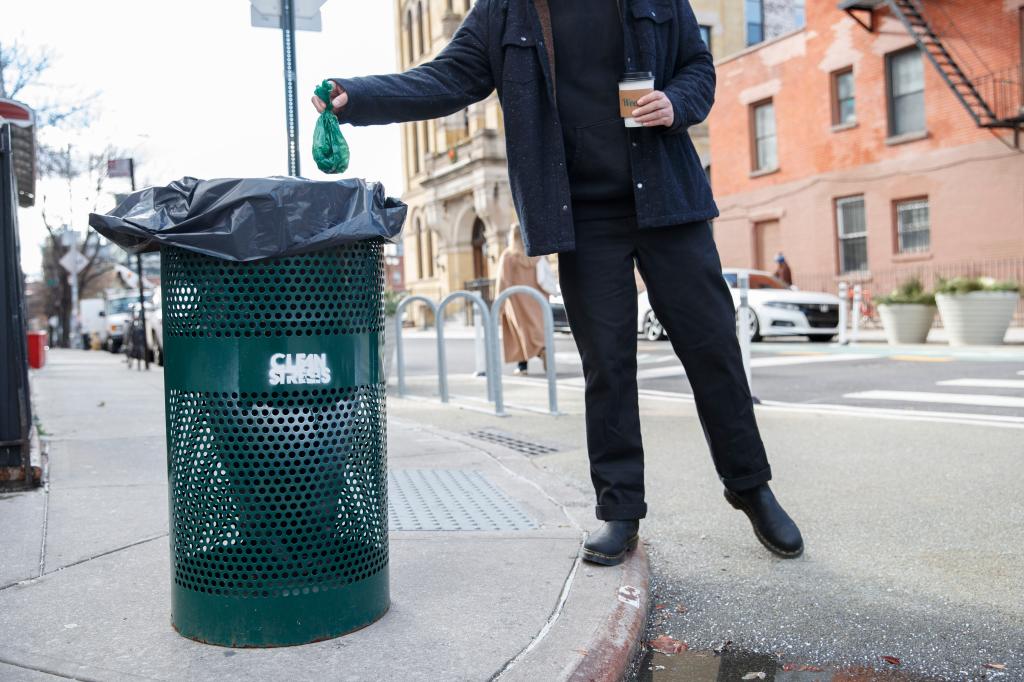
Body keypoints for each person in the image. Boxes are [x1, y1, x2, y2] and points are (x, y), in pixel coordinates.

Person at [314, 0, 803, 566]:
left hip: (668, 200)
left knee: (713, 346)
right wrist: (359, 96)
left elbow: (699, 66)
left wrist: (677, 103)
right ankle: (620, 511)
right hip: (583, 217)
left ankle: (748, 484)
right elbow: (448, 78)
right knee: (608, 364)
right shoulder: (508, 10)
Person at [496, 224, 559, 376]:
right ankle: (542, 350)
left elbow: (503, 281)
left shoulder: (509, 256)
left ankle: (524, 366)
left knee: (518, 332)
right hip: (538, 298)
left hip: (517, 300)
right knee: (536, 328)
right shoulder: (537, 254)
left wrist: (500, 303)